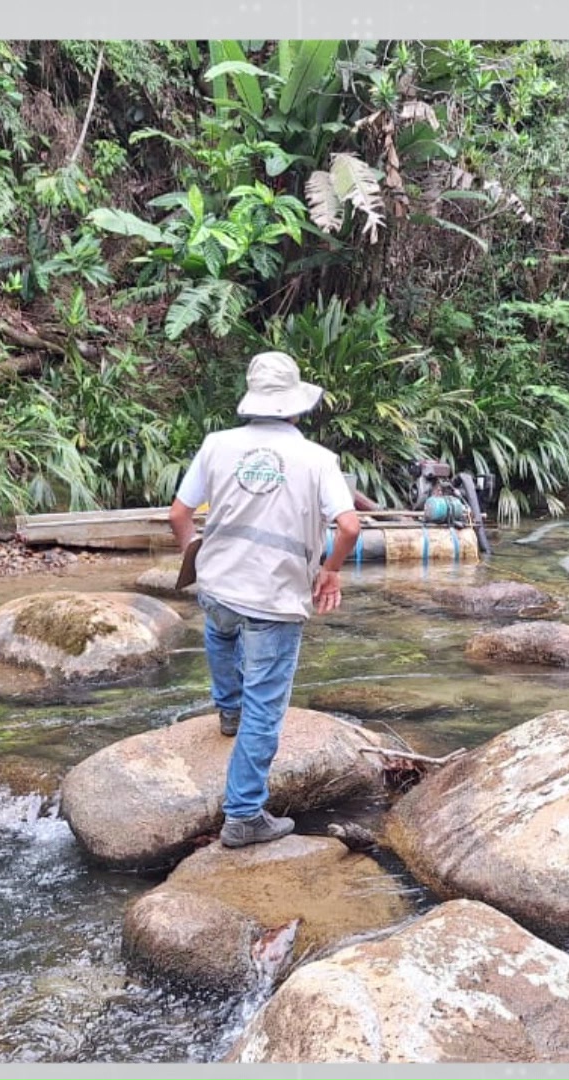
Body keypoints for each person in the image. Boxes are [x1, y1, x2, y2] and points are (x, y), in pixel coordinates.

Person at [167, 351, 362, 849]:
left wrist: (193, 554)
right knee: (266, 709)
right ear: (297, 407)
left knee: (220, 632)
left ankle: (226, 710)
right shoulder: (319, 460)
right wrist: (331, 571)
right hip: (274, 597)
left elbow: (179, 514)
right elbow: (349, 526)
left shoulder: (216, 444)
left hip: (219, 584)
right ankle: (244, 815)